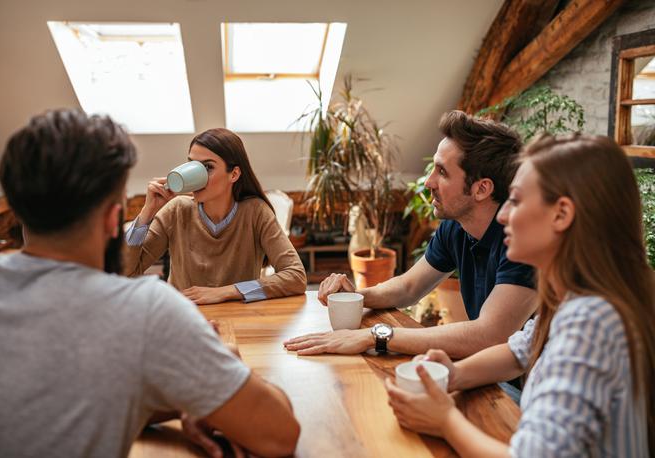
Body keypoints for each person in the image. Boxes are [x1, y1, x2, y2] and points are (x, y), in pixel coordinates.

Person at [0, 110, 300, 458]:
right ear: (115, 220)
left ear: (17, 210)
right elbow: (279, 435)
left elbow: (52, 400)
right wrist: (214, 373)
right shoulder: (149, 311)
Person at [385, 134, 655, 456]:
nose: (502, 215)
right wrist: (454, 374)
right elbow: (519, 351)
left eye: (515, 200)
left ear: (561, 214)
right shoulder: (580, 296)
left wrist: (445, 421)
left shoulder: (591, 321)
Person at [284, 111, 536, 359]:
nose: (428, 182)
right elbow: (408, 286)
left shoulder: (524, 241)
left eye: (442, 172)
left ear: (481, 188)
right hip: (488, 369)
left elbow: (488, 335)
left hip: (526, 387)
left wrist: (376, 336)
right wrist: (356, 296)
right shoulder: (457, 227)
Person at [124, 127, 306, 304]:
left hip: (240, 322)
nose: (197, 175)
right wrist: (146, 213)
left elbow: (296, 276)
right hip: (185, 321)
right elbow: (124, 274)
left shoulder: (255, 212)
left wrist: (227, 292)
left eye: (207, 167)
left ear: (234, 174)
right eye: (192, 165)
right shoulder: (176, 210)